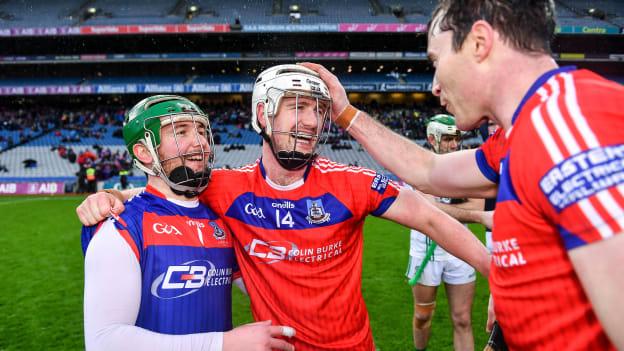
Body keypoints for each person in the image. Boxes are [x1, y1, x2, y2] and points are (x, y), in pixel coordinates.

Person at [77, 65, 490, 351]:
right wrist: (112, 197)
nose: (311, 121)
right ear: (263, 113)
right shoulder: (225, 187)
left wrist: (501, 277)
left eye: (317, 109)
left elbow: (432, 219)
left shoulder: (351, 182)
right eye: (297, 107)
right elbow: (163, 194)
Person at [300, 0, 624, 349]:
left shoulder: (567, 129)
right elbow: (428, 170)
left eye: (437, 61)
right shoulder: (526, 132)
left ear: (479, 44)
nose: (435, 85)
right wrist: (346, 113)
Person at [81, 95, 295, 351]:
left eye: (202, 131)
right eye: (180, 131)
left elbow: (268, 291)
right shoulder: (120, 228)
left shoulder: (223, 221)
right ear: (144, 152)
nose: (200, 142)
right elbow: (105, 341)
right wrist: (223, 344)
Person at [405, 115, 483, 351]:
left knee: (462, 319)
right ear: (432, 138)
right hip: (424, 248)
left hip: (460, 249)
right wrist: (459, 207)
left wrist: (439, 209)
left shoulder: (467, 164)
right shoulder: (416, 165)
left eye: (456, 138)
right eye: (448, 139)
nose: (454, 145)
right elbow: (426, 212)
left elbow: (477, 208)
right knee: (422, 316)